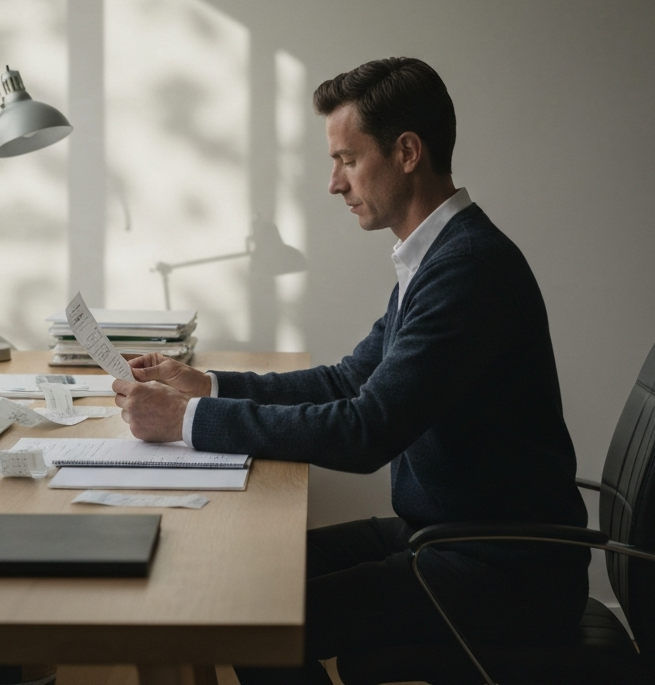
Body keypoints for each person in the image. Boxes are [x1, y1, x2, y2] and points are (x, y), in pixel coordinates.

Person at [112, 57, 589, 684]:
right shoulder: (437, 257)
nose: (335, 183)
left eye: (347, 159)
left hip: (501, 567)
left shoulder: (468, 270)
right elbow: (347, 381)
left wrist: (188, 421)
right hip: (450, 533)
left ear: (407, 152)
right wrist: (209, 387)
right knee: (251, 575)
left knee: (257, 612)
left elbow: (365, 432)